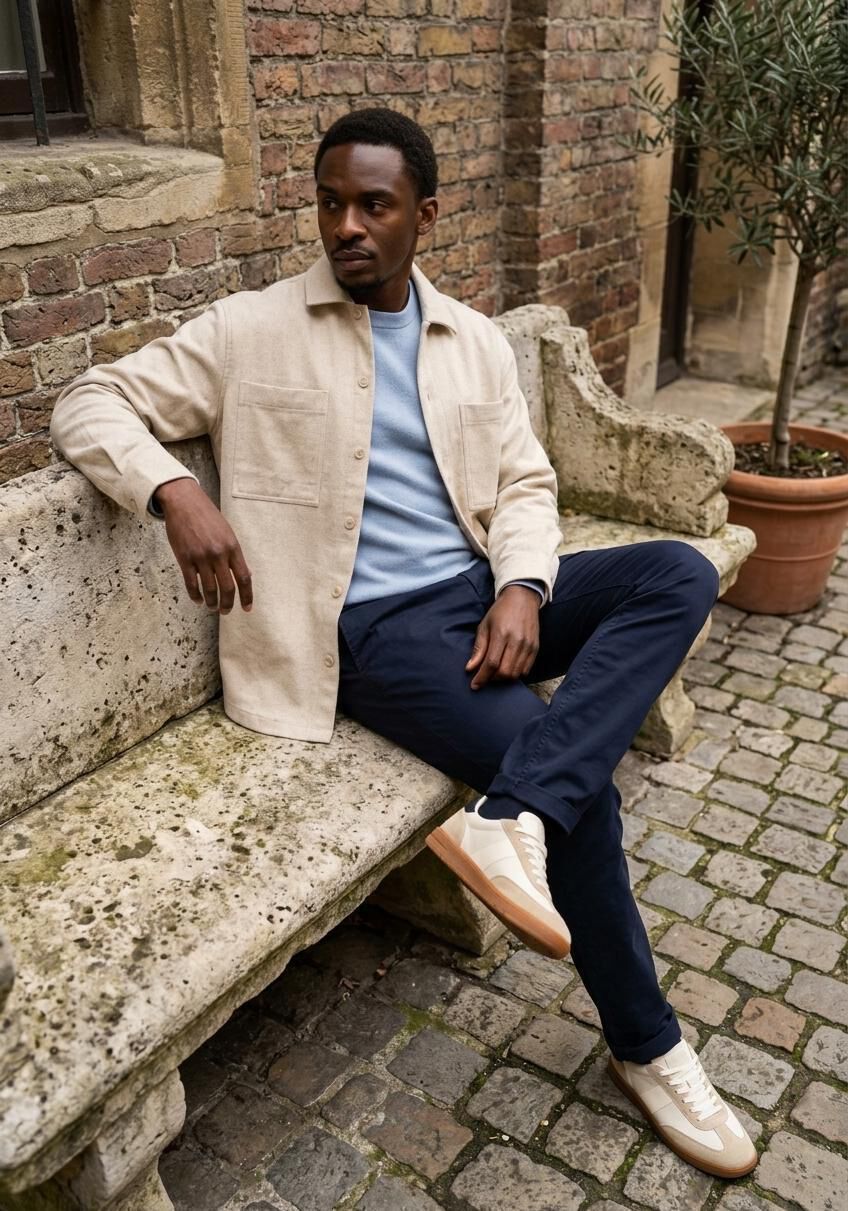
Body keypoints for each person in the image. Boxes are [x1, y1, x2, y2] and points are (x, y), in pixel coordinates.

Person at [51, 108, 757, 1180]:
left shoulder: (470, 339)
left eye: (373, 204)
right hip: (369, 631)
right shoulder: (248, 330)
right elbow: (90, 399)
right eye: (330, 202)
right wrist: (173, 488)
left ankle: (510, 814)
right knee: (584, 795)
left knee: (674, 572)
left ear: (423, 216)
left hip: (477, 590)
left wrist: (522, 586)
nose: (347, 224)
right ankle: (647, 1045)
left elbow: (524, 485)